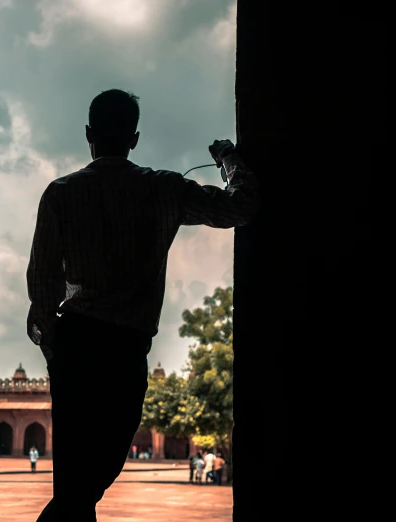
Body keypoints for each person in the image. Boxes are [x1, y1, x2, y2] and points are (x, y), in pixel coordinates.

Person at [27, 89, 259, 521]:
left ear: (88, 134)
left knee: (77, 482)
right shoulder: (162, 189)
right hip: (126, 346)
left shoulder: (61, 193)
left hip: (76, 342)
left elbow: (42, 282)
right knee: (92, 476)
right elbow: (241, 207)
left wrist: (52, 347)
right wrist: (228, 158)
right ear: (134, 138)